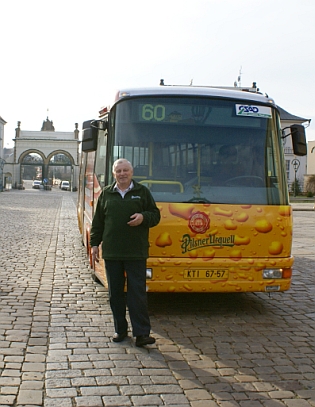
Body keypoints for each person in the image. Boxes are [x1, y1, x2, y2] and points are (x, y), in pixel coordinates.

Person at [90, 158, 161, 347]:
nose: (122, 174)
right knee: (115, 294)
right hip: (112, 253)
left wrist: (143, 217)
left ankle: (142, 334)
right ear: (114, 174)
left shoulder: (142, 192)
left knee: (137, 294)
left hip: (136, 252)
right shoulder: (106, 194)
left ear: (132, 172)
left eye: (125, 170)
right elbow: (98, 222)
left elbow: (156, 215)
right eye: (118, 171)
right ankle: (120, 330)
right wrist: (94, 244)